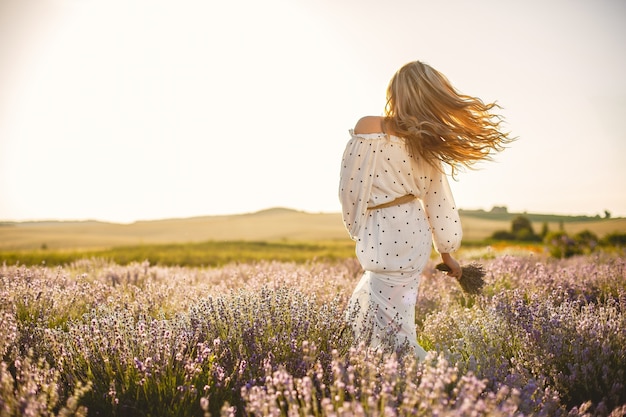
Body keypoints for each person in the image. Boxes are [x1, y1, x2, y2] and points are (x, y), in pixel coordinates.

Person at [339, 60, 512, 359]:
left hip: (383, 232)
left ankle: (424, 380)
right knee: (383, 314)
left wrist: (357, 229)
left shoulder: (369, 126)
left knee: (388, 325)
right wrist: (447, 253)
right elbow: (438, 202)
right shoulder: (425, 144)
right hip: (413, 234)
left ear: (395, 93)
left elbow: (350, 189)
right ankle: (383, 374)